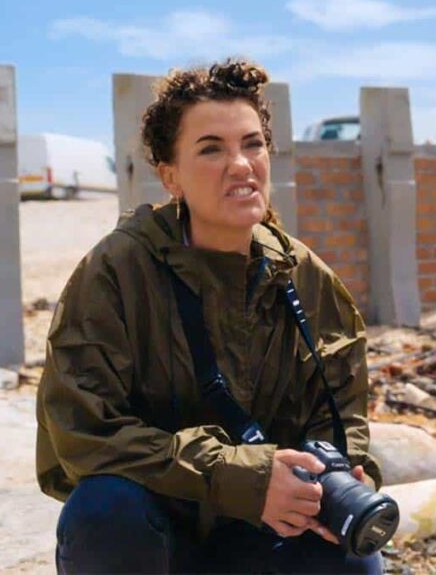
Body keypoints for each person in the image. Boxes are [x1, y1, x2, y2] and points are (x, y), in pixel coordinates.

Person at [35, 59, 383, 574]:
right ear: (169, 175)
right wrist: (237, 477)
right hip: (157, 524)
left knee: (354, 555)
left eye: (252, 144)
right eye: (211, 149)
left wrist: (341, 472)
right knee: (104, 510)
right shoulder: (116, 271)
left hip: (267, 527)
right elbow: (83, 433)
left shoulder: (303, 277)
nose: (240, 164)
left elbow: (340, 412)